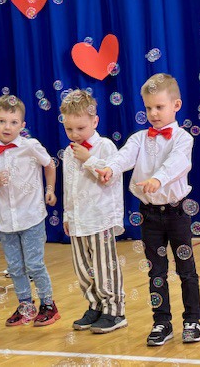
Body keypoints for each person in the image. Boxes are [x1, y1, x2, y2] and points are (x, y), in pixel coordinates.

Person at [96, 73, 200, 346]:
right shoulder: (139, 138)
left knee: (186, 269)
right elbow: (123, 156)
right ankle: (162, 322)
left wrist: (158, 179)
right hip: (149, 214)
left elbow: (178, 162)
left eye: (159, 107)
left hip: (177, 213)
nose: (153, 113)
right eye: (148, 107)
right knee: (156, 272)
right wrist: (110, 168)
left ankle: (192, 320)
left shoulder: (182, 138)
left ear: (176, 105)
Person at [0, 95, 59, 327]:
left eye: (13, 122)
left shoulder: (30, 146)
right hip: (5, 219)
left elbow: (49, 165)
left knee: (34, 264)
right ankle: (25, 305)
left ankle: (48, 304)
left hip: (31, 216)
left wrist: (50, 189)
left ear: (22, 125)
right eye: (2, 121)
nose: (7, 127)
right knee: (14, 267)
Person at [59, 89, 127, 334]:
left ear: (95, 121)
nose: (75, 134)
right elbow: (68, 186)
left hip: (100, 218)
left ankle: (114, 310)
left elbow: (110, 177)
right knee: (83, 268)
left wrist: (88, 159)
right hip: (78, 220)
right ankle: (95, 305)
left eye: (81, 128)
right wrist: (67, 214)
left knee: (104, 266)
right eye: (69, 129)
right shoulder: (69, 152)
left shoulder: (105, 146)